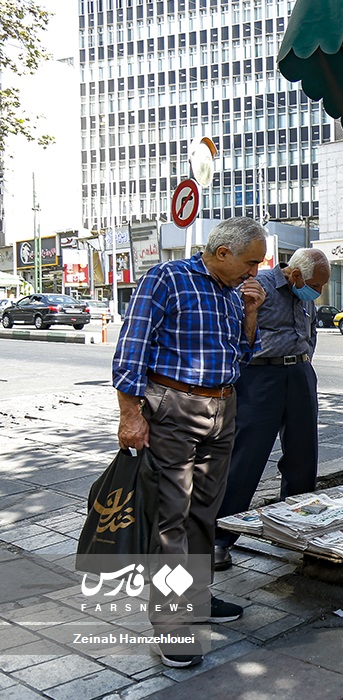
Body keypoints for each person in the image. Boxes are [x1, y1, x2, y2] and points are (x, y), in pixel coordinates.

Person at [112, 217, 267, 668]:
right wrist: (130, 415)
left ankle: (196, 599)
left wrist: (251, 314)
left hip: (222, 408)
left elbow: (240, 354)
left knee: (204, 511)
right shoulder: (167, 278)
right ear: (222, 253)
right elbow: (131, 348)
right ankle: (171, 626)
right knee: (171, 517)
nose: (254, 271)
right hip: (174, 408)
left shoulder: (232, 292)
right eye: (250, 261)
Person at [213, 248, 331, 571]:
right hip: (261, 376)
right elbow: (235, 331)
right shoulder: (258, 284)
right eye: (315, 286)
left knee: (303, 457)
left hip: (300, 373)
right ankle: (219, 538)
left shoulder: (305, 290)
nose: (317, 293)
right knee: (246, 457)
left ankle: (296, 528)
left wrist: (303, 362)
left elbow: (310, 333)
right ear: (295, 275)